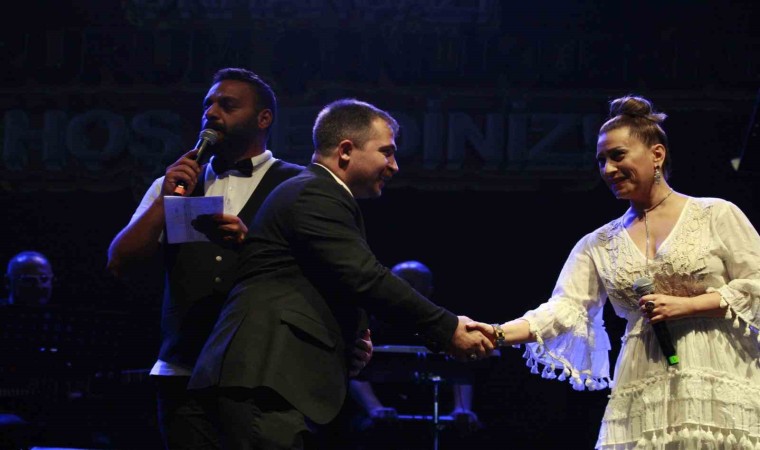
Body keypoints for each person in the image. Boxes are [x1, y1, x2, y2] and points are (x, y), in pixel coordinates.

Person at [188, 98, 493, 449]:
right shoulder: (315, 192)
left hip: (271, 380)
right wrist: (447, 328)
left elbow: (324, 280)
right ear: (346, 151)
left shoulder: (316, 193)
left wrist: (351, 337)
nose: (394, 166)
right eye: (387, 152)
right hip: (264, 377)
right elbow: (365, 277)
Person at [468, 95, 760, 449]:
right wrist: (498, 333)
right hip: (645, 382)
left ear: (657, 154)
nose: (608, 169)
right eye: (601, 161)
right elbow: (565, 309)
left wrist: (689, 306)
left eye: (617, 156)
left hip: (719, 373)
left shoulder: (716, 214)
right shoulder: (599, 243)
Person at [106, 68, 372, 450]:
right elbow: (120, 263)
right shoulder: (174, 184)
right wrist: (166, 200)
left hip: (268, 375)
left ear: (264, 118)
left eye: (227, 105)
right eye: (208, 104)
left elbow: (337, 273)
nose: (211, 113)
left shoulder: (302, 187)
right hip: (183, 371)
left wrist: (353, 334)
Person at [348, 260, 481, 449]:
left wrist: (462, 408)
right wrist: (374, 407)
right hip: (382, 413)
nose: (408, 289)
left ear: (429, 290)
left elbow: (460, 368)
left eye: (415, 283)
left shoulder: (442, 326)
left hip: (433, 410)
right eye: (403, 282)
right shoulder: (371, 323)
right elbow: (354, 370)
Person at [1, 250, 55, 448]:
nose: (40, 286)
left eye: (44, 279)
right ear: (8, 283)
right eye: (29, 280)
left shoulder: (57, 323)